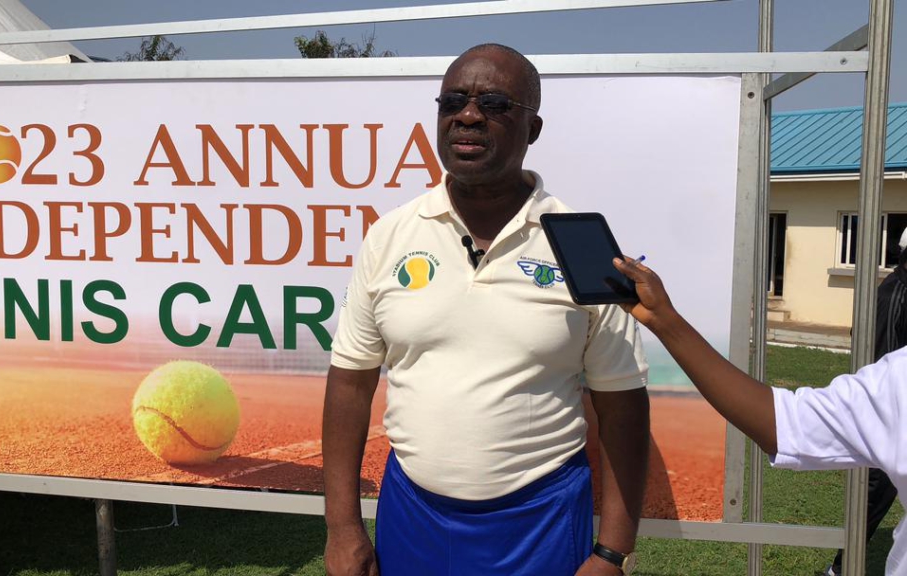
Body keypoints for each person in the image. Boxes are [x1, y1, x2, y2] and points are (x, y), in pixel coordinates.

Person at [322, 43, 650, 576]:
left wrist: (613, 552)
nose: (468, 116)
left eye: (494, 104)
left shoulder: (583, 243)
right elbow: (350, 383)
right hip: (413, 514)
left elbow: (622, 405)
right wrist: (341, 528)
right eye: (453, 102)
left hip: (541, 521)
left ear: (533, 128)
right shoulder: (389, 235)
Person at [612, 256, 907, 576]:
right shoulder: (898, 377)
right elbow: (786, 423)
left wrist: (664, 320)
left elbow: (785, 423)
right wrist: (662, 319)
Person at [827, 228, 907, 575]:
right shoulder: (896, 295)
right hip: (886, 414)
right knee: (875, 489)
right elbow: (884, 360)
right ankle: (841, 567)